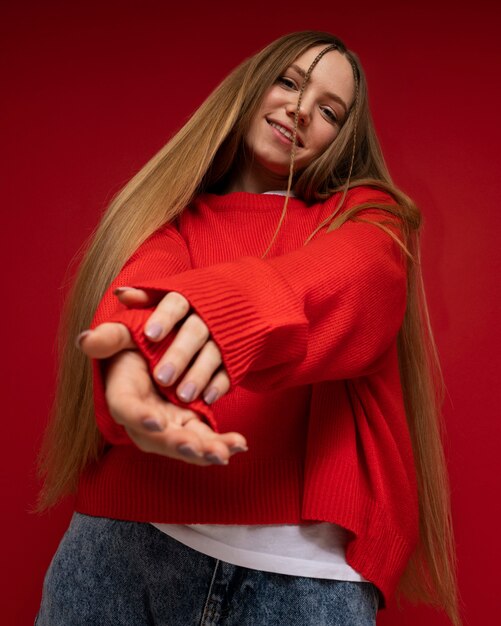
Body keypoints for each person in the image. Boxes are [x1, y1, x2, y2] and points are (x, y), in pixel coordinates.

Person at [36, 31, 462, 625]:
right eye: (289, 82)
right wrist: (133, 373)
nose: (300, 108)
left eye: (329, 111)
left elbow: (351, 282)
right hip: (123, 553)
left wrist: (222, 318)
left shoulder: (367, 218)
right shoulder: (166, 219)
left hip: (303, 581)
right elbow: (139, 302)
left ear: (341, 140)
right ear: (250, 87)